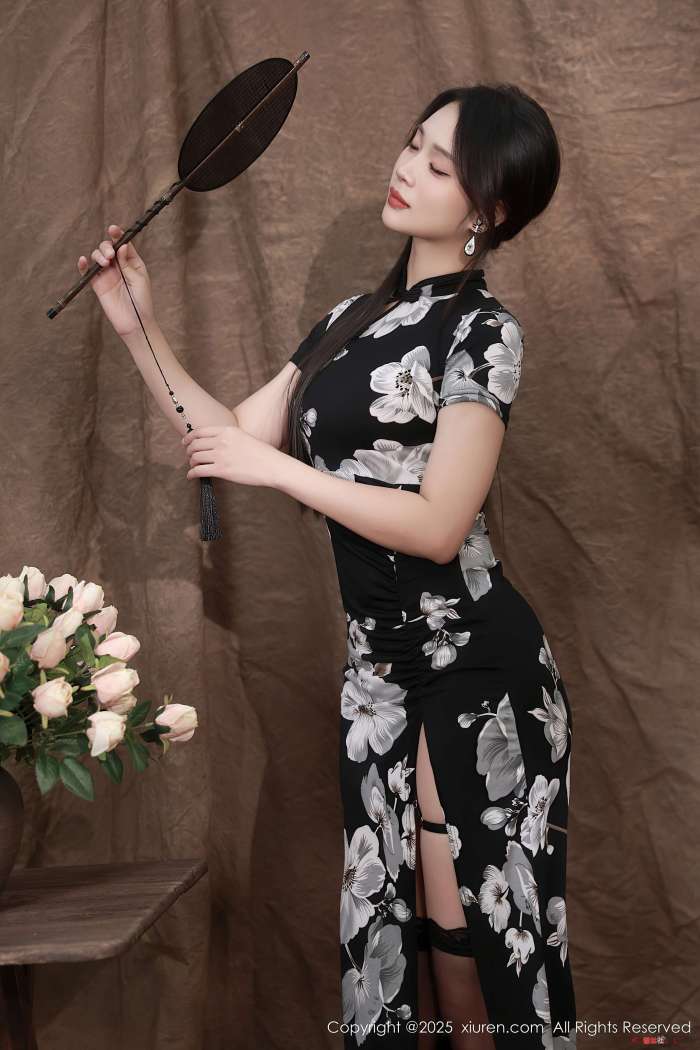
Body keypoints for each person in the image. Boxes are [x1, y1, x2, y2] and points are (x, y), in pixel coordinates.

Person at [79, 82, 576, 1050]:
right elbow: (226, 436)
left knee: (473, 960)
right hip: (378, 681)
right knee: (403, 956)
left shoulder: (485, 334)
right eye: (412, 142)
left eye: (440, 164)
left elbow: (439, 526)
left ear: (489, 209)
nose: (407, 167)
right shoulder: (352, 320)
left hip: (479, 674)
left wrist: (277, 471)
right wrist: (138, 326)